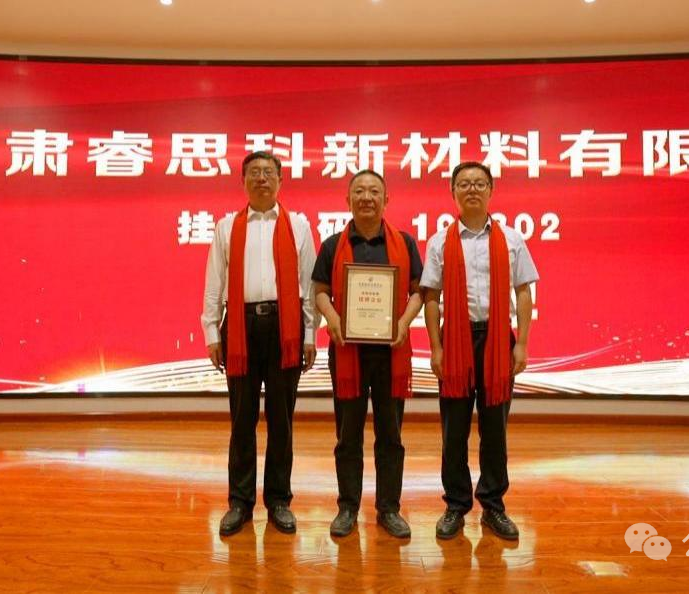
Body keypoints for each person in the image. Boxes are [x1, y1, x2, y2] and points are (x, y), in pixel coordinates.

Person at [420, 161, 538, 541]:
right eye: (464, 184)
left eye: (479, 183)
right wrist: (436, 347)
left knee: (494, 430)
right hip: (456, 341)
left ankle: (493, 506)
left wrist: (522, 343)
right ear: (452, 192)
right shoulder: (439, 242)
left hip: (498, 341)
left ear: (491, 190)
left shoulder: (511, 239)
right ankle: (456, 505)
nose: (472, 189)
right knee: (454, 431)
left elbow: (523, 291)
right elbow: (431, 297)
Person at [201, 151, 318, 536]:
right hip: (240, 327)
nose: (262, 178)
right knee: (242, 419)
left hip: (286, 328)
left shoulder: (298, 226)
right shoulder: (227, 227)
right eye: (254, 173)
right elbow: (215, 283)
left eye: (269, 172)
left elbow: (309, 286)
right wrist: (212, 333)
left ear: (281, 180)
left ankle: (279, 501)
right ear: (243, 181)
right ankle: (240, 501)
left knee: (281, 420)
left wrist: (310, 334)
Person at [311, 170, 423, 539]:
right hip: (348, 352)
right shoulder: (333, 245)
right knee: (348, 435)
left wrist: (404, 322)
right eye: (359, 191)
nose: (366, 197)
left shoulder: (404, 243)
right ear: (348, 200)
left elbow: (418, 291)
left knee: (390, 434)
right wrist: (333, 319)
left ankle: (389, 508)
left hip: (391, 353)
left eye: (374, 191)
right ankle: (348, 507)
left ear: (386, 200)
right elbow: (320, 291)